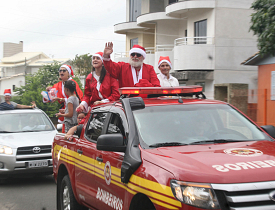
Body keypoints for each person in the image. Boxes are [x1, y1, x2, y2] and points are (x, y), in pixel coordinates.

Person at [46, 64, 83, 132]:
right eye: (60, 70)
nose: (61, 72)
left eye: (64, 70)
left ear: (68, 73)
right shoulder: (58, 84)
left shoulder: (73, 83)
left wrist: (62, 99)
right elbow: (50, 99)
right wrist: (48, 92)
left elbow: (79, 98)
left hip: (71, 115)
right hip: (65, 113)